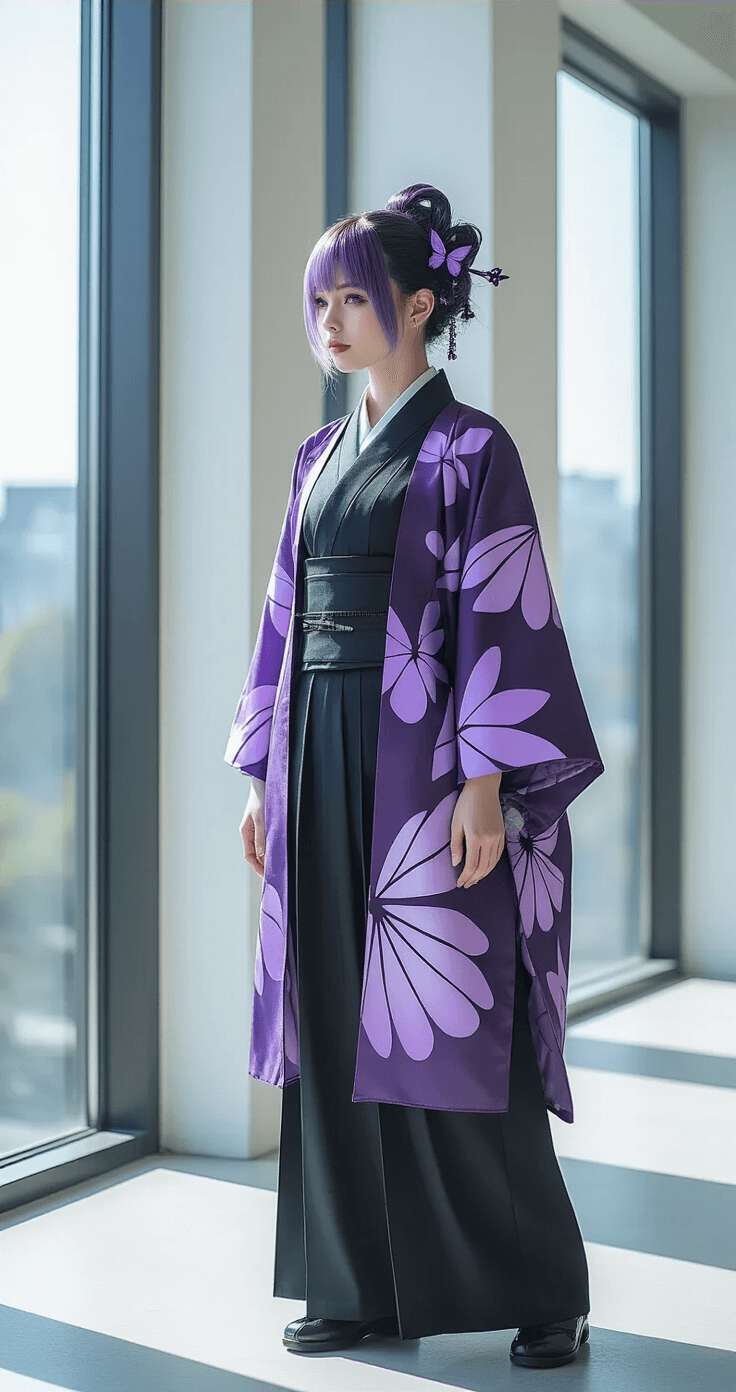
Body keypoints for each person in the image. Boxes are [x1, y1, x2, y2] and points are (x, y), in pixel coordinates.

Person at [224, 183, 604, 1369]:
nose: (332, 322)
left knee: (454, 1015)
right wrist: (259, 776)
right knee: (338, 1011)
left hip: (425, 765)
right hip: (321, 750)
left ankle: (543, 1286)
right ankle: (354, 1285)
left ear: (422, 307)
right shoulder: (315, 455)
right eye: (320, 301)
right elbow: (285, 621)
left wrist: (485, 782)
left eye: (357, 300)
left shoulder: (471, 449)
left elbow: (504, 611)